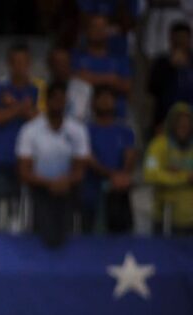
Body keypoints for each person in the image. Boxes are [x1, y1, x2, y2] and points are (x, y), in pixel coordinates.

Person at [17, 81, 90, 247]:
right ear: (46, 101)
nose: (58, 103)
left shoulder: (78, 130)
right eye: (54, 99)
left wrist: (65, 182)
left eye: (61, 99)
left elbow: (80, 169)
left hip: (67, 188)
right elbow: (24, 171)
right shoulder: (30, 130)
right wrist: (50, 183)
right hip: (40, 188)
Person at [0, 43, 40, 225]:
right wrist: (20, 107)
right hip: (3, 157)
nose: (20, 66)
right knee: (0, 206)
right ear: (9, 64)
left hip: (28, 160)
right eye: (16, 62)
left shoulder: (36, 89)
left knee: (26, 211)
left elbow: (40, 120)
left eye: (24, 62)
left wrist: (13, 106)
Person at [82, 85, 136, 233]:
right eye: (101, 98)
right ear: (93, 102)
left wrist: (122, 175)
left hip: (119, 192)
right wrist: (111, 175)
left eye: (109, 98)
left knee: (121, 236)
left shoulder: (125, 130)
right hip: (92, 193)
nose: (105, 101)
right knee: (91, 236)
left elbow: (130, 154)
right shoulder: (85, 130)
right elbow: (87, 157)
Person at [143, 102, 193, 233]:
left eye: (187, 124)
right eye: (180, 123)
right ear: (172, 123)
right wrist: (184, 177)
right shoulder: (158, 145)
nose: (184, 127)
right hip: (165, 217)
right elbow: (150, 174)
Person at [72, 14, 133, 118]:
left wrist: (92, 78)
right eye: (95, 27)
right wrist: (110, 79)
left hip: (116, 118)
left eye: (102, 27)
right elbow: (75, 80)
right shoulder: (77, 57)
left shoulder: (120, 59)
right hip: (83, 115)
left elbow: (127, 86)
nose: (98, 31)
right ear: (87, 30)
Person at [147, 21, 193, 136]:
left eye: (184, 38)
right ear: (171, 39)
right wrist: (170, 67)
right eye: (177, 38)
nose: (181, 42)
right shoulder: (162, 63)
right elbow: (152, 88)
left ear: (189, 39)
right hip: (165, 121)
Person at [42, 45, 93, 122]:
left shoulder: (84, 89)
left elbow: (88, 119)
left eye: (64, 62)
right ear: (50, 65)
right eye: (57, 63)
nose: (60, 67)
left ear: (70, 64)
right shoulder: (41, 88)